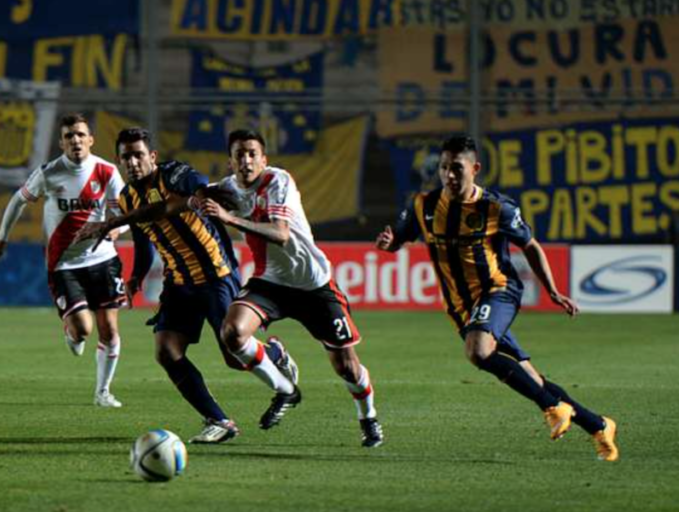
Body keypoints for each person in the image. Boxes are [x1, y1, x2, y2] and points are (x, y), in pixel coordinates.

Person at [375, 135, 618, 461]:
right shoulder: (423, 205)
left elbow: (530, 245)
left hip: (498, 290)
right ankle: (599, 425)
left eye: (456, 169)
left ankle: (551, 407)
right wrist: (389, 243)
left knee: (477, 351)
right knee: (531, 378)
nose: (449, 175)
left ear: (474, 168)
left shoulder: (496, 207)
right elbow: (398, 240)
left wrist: (552, 289)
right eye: (444, 167)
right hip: (461, 308)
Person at [74, 127, 298, 444]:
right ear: (120, 161)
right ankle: (219, 420)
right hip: (179, 282)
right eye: (126, 157)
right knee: (167, 350)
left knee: (234, 358)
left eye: (139, 155)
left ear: (152, 156)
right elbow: (142, 236)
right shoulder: (127, 198)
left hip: (215, 275)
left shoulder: (176, 174)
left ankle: (274, 353)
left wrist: (113, 222)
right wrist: (136, 276)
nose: (133, 162)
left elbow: (193, 193)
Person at [200, 129, 383, 448]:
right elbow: (193, 196)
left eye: (252, 153)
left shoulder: (277, 181)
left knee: (347, 367)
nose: (246, 160)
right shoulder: (226, 188)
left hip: (314, 284)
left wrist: (229, 218)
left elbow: (281, 234)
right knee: (232, 333)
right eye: (240, 154)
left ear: (264, 159)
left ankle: (368, 418)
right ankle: (286, 389)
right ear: (230, 162)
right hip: (270, 282)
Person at [0, 113, 126, 408]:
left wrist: (117, 230)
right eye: (69, 136)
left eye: (80, 134)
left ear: (91, 139)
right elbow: (18, 200)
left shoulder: (107, 171)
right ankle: (72, 331)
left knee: (110, 329)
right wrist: (1, 238)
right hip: (63, 264)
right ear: (61, 143)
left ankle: (103, 392)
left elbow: (122, 213)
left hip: (103, 259)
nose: (75, 140)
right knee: (83, 330)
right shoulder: (49, 172)